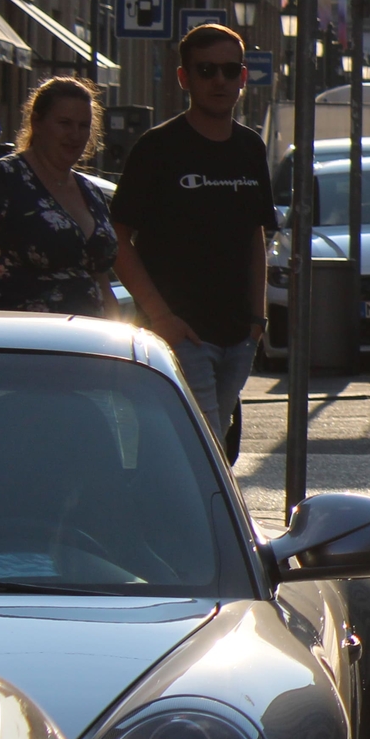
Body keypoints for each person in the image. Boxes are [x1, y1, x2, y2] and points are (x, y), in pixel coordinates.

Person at [111, 25, 278, 443]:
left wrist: (258, 321)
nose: (219, 80)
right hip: (182, 333)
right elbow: (117, 237)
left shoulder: (250, 147)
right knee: (203, 445)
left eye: (229, 69)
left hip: (238, 336)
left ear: (243, 76)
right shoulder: (157, 148)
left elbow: (255, 233)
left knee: (206, 447)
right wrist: (161, 317)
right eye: (206, 70)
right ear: (185, 78)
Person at [0, 77, 119, 319]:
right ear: (37, 121)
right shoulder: (1, 177)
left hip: (92, 343)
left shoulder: (91, 192)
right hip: (25, 343)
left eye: (83, 125)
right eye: (65, 123)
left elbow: (102, 279)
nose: (75, 135)